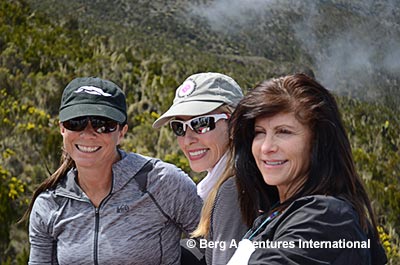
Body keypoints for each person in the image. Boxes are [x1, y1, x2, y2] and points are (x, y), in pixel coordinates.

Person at [22, 77, 202, 265]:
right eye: (76, 122)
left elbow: (218, 245)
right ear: (62, 128)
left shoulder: (163, 183)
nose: (88, 133)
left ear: (121, 132)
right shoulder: (49, 203)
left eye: (103, 124)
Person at [227, 73, 387, 264]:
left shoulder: (326, 219)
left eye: (284, 132)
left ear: (317, 143)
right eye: (259, 133)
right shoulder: (281, 211)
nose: (266, 147)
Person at [153, 72, 257, 265]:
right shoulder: (220, 185)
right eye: (179, 127)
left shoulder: (234, 192)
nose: (187, 139)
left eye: (201, 124)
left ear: (234, 125)